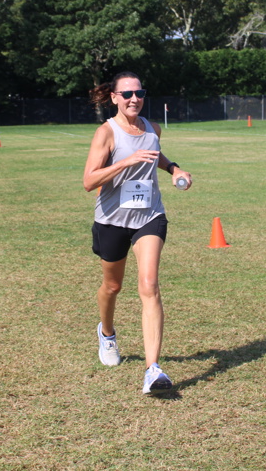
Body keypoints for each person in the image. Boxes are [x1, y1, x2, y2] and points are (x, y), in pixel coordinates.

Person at [83, 72, 192, 394]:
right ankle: (107, 333)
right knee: (112, 286)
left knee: (149, 285)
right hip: (112, 219)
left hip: (149, 215)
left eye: (139, 93)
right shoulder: (106, 133)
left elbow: (155, 153)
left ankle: (152, 370)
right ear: (114, 97)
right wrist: (125, 162)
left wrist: (174, 169)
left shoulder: (152, 128)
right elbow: (89, 181)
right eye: (127, 94)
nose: (134, 99)